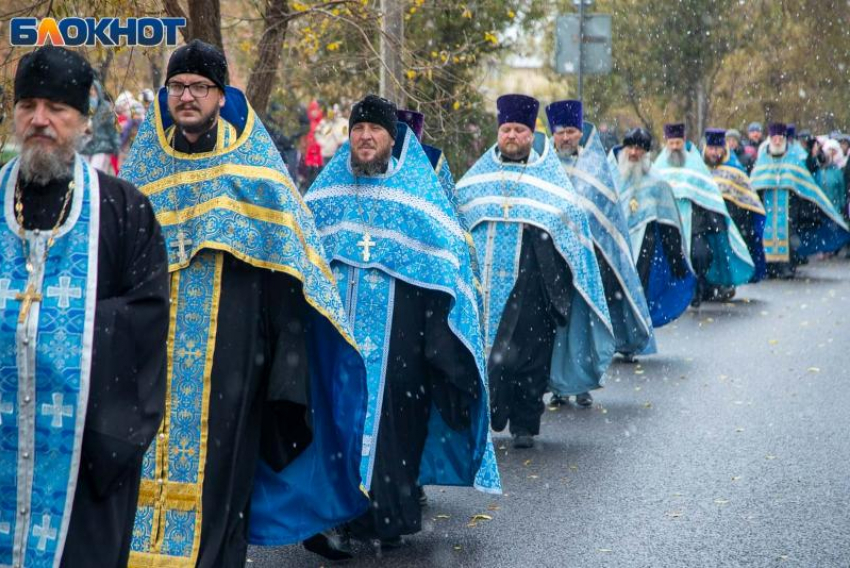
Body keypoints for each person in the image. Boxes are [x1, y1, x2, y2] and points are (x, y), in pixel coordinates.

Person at [120, 39, 368, 567]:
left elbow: (296, 271)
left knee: (221, 482)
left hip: (230, 361)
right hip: (150, 362)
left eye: (200, 87)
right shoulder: (139, 177)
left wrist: (285, 370)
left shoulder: (256, 174)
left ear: (221, 95)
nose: (187, 96)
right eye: (178, 87)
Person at [303, 94, 500, 557]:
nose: (365, 136)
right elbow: (300, 262)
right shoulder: (324, 198)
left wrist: (443, 353)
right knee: (336, 425)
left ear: (393, 138)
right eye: (358, 129)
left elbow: (447, 271)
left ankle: (387, 516)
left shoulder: (418, 200)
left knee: (393, 430)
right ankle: (338, 517)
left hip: (400, 349)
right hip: (338, 346)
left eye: (375, 130)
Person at [2, 45, 170, 567]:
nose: (40, 120)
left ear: (81, 120)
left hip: (84, 451)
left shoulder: (124, 210)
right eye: (28, 105)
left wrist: (51, 333)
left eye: (57, 108)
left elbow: (147, 319)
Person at [456, 94, 615, 448]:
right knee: (488, 356)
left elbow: (571, 224)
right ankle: (491, 412)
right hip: (485, 290)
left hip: (534, 285)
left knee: (530, 360)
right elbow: (458, 225)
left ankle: (525, 424)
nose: (512, 136)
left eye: (519, 130)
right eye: (506, 129)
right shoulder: (474, 183)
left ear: (532, 134)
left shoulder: (550, 180)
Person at [546, 99, 653, 384]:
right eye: (560, 131)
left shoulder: (596, 166)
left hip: (590, 261)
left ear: (581, 132)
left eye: (571, 130)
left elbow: (610, 216)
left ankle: (582, 381)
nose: (566, 136)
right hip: (551, 260)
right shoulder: (542, 167)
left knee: (583, 324)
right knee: (555, 325)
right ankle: (555, 382)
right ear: (552, 134)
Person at [654, 123, 754, 306]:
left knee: (700, 255)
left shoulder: (695, 163)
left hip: (695, 223)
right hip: (669, 224)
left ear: (684, 141)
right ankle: (678, 293)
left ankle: (698, 288)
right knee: (670, 259)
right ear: (666, 142)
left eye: (678, 142)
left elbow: (707, 192)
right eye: (671, 143)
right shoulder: (659, 165)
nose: (675, 147)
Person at [610, 128, 695, 328]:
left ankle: (635, 334)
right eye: (630, 147)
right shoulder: (611, 176)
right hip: (616, 243)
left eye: (639, 149)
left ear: (646, 153)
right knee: (614, 292)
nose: (633, 153)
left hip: (644, 244)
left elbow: (668, 224)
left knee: (638, 291)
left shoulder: (657, 182)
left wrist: (677, 260)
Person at [750, 123, 850, 278]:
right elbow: (754, 184)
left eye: (780, 138)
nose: (777, 142)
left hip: (788, 206)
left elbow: (805, 182)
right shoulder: (763, 160)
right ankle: (769, 266)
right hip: (768, 206)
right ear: (770, 139)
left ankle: (785, 266)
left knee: (786, 235)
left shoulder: (792, 160)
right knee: (767, 234)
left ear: (784, 140)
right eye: (774, 138)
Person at [703, 128, 767, 283]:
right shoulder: (700, 170)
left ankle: (725, 285)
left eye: (718, 149)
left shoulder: (735, 169)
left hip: (729, 220)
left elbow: (747, 196)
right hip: (704, 220)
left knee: (725, 255)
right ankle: (707, 286)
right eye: (711, 149)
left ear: (724, 149)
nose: (714, 153)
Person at [80, 79, 120, 175]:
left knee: (97, 174)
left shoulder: (106, 108)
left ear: (98, 92)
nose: (91, 93)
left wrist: (116, 147)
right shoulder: (82, 108)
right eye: (89, 92)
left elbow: (112, 130)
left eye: (93, 90)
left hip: (102, 147)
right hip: (84, 147)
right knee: (84, 175)